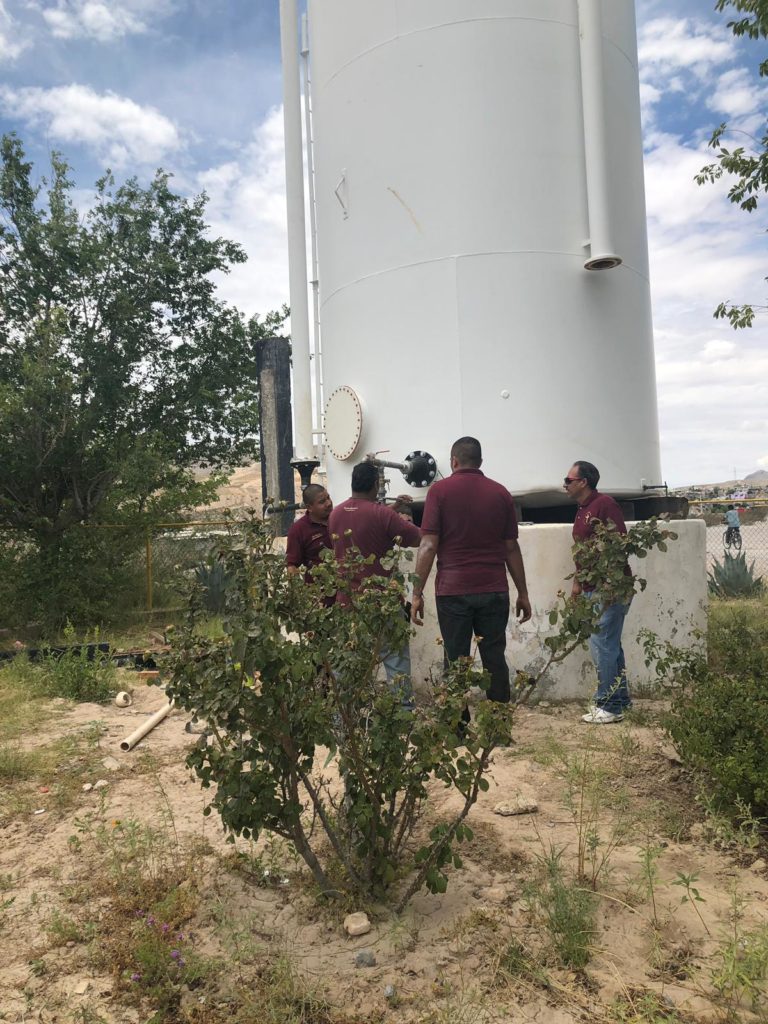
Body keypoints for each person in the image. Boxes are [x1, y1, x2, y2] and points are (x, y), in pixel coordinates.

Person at [411, 437, 531, 720]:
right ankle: (498, 726)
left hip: (453, 591)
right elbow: (511, 548)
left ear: (453, 461)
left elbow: (428, 545)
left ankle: (457, 727)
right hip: (494, 589)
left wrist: (416, 594)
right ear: (480, 461)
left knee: (455, 660)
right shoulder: (501, 494)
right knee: (494, 657)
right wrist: (523, 592)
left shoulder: (439, 492)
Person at [328, 462, 422, 697]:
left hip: (347, 602)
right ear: (374, 485)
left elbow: (363, 517)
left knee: (347, 664)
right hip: (382, 602)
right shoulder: (383, 515)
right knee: (395, 661)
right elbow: (418, 538)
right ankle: (403, 716)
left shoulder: (335, 514)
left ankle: (345, 721)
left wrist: (393, 507)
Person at [564, 460, 632, 724]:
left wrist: (609, 585)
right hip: (593, 587)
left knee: (603, 646)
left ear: (583, 482)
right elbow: (583, 551)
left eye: (568, 480)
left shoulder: (605, 505)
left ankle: (609, 705)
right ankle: (619, 700)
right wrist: (578, 584)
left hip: (609, 589)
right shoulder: (583, 509)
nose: (565, 485)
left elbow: (619, 544)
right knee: (610, 645)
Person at [285, 483, 333, 582]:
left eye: (328, 498)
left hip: (346, 591)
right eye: (322, 502)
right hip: (318, 593)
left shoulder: (339, 519)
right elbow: (291, 565)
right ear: (309, 507)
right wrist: (300, 594)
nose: (328, 503)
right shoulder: (298, 530)